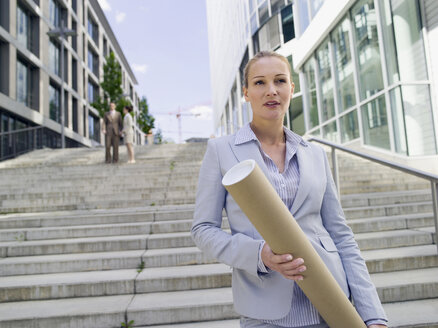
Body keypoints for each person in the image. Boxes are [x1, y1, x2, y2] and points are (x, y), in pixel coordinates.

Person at [191, 51, 388, 328]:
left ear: (291, 89)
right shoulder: (221, 151)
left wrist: (373, 315)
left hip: (331, 304)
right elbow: (203, 229)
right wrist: (259, 254)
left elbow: (341, 236)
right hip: (265, 311)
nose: (271, 91)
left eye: (280, 81)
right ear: (246, 93)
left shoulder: (316, 155)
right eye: (260, 83)